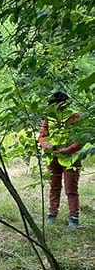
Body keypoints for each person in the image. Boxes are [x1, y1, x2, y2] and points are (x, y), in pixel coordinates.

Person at [38, 91, 83, 228]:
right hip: (53, 158)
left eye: (60, 106)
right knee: (54, 187)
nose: (58, 109)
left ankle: (73, 219)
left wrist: (68, 150)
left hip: (71, 159)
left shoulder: (75, 116)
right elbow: (41, 136)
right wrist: (47, 145)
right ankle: (52, 215)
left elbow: (82, 139)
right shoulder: (49, 117)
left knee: (71, 190)